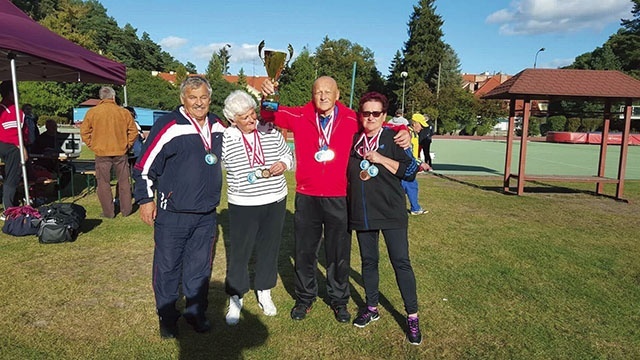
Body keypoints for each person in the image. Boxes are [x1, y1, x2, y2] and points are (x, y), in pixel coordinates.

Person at [260, 76, 411, 323]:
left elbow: (378, 125)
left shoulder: (352, 117)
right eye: (318, 91)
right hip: (307, 195)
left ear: (337, 94)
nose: (322, 96)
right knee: (305, 251)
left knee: (338, 253)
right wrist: (267, 96)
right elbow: (269, 115)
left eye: (327, 92)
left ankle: (339, 300)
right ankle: (304, 298)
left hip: (339, 197)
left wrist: (403, 129)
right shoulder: (300, 115)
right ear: (312, 93)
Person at [132, 76, 226, 339]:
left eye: (203, 97)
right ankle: (167, 317)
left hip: (206, 214)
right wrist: (145, 200)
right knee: (168, 266)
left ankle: (196, 313)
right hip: (173, 213)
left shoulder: (217, 123)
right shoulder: (169, 125)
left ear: (210, 99)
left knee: (199, 268)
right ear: (183, 99)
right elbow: (143, 167)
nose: (199, 103)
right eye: (193, 97)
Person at [347, 92, 423, 345]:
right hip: (363, 213)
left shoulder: (394, 137)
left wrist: (381, 158)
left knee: (401, 263)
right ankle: (371, 308)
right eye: (366, 113)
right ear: (361, 114)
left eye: (375, 113)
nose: (370, 118)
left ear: (384, 116)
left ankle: (412, 316)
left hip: (391, 212)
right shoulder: (354, 139)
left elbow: (411, 171)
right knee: (369, 262)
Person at [221, 90, 293, 325]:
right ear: (233, 119)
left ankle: (264, 290)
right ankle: (236, 295)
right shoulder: (225, 137)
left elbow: (288, 155)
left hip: (274, 199)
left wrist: (283, 163)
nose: (253, 120)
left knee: (269, 248)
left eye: (253, 114)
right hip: (243, 203)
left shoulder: (269, 129)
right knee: (240, 252)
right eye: (245, 117)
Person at [80, 87, 138, 218]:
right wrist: (127, 145)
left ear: (101, 98)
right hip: (121, 151)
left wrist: (93, 145)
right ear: (113, 97)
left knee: (103, 183)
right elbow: (133, 132)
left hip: (101, 152)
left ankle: (108, 212)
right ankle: (126, 210)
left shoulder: (93, 112)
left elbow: (84, 132)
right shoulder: (123, 112)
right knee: (124, 181)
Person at [0, 81, 28, 213]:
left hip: (4, 146)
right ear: (11, 93)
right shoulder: (12, 110)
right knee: (12, 177)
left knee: (10, 176)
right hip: (10, 147)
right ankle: (9, 209)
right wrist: (21, 147)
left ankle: (13, 202)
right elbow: (13, 132)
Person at [402, 117, 431, 215]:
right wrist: (420, 163)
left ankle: (415, 208)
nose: (422, 128)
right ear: (414, 123)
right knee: (411, 186)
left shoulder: (414, 134)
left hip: (409, 165)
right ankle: (415, 208)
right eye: (421, 125)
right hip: (406, 165)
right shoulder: (407, 133)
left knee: (408, 186)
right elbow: (407, 153)